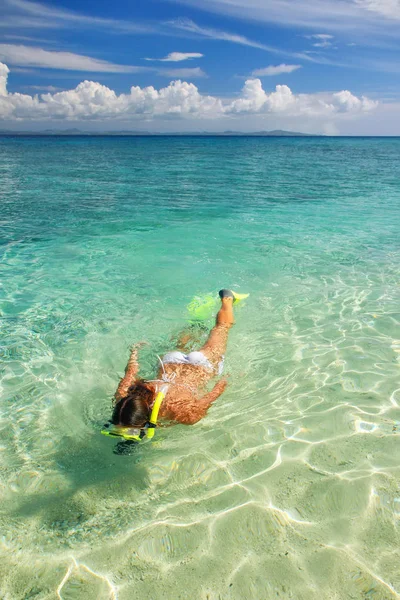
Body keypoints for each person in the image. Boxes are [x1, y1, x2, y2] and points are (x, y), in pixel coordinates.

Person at [102, 290, 247, 449]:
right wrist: (134, 352)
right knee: (210, 332)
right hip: (171, 361)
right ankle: (196, 322)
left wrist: (228, 377)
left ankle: (228, 298)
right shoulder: (123, 396)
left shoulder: (181, 413)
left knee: (223, 327)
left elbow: (213, 394)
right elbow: (131, 372)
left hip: (202, 366)